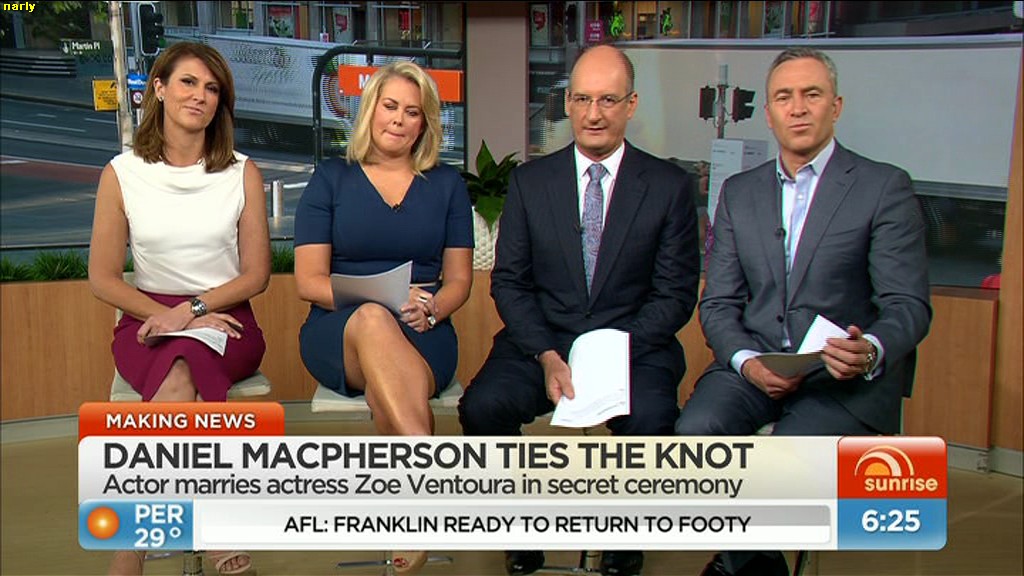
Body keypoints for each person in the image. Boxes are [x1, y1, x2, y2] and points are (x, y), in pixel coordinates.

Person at [675, 47, 932, 576]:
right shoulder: (739, 193)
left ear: (835, 106)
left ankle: (736, 566)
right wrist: (747, 362)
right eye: (783, 97)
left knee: (787, 462)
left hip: (841, 380)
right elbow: (718, 303)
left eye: (811, 95)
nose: (797, 108)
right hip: (754, 366)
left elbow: (908, 304)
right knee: (695, 434)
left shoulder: (883, 187)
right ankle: (757, 562)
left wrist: (869, 350)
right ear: (768, 113)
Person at [458, 45, 700, 576]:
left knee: (654, 420)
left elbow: (675, 293)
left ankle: (624, 540)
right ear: (567, 103)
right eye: (583, 99)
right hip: (543, 342)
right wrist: (546, 353)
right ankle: (520, 530)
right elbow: (510, 283)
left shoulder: (669, 187)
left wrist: (612, 354)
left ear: (631, 105)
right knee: (482, 407)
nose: (594, 113)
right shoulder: (530, 183)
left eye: (608, 100)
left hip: (635, 345)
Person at [88, 42, 270, 575]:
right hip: (146, 316)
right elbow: (102, 277)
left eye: (212, 89)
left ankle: (131, 543)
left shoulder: (242, 172)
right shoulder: (121, 173)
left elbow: (256, 275)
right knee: (177, 367)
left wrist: (191, 310)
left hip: (226, 316)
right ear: (160, 89)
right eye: (188, 82)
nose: (200, 96)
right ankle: (212, 521)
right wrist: (165, 316)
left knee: (183, 365)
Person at [293, 60, 473, 574]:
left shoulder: (447, 185)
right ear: (370, 110)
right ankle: (428, 469)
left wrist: (434, 307)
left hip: (423, 329)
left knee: (385, 389)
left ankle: (410, 508)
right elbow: (309, 281)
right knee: (373, 319)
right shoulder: (332, 178)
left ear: (425, 123)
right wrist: (379, 297)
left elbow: (459, 281)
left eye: (412, 112)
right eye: (390, 106)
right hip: (340, 328)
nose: (398, 119)